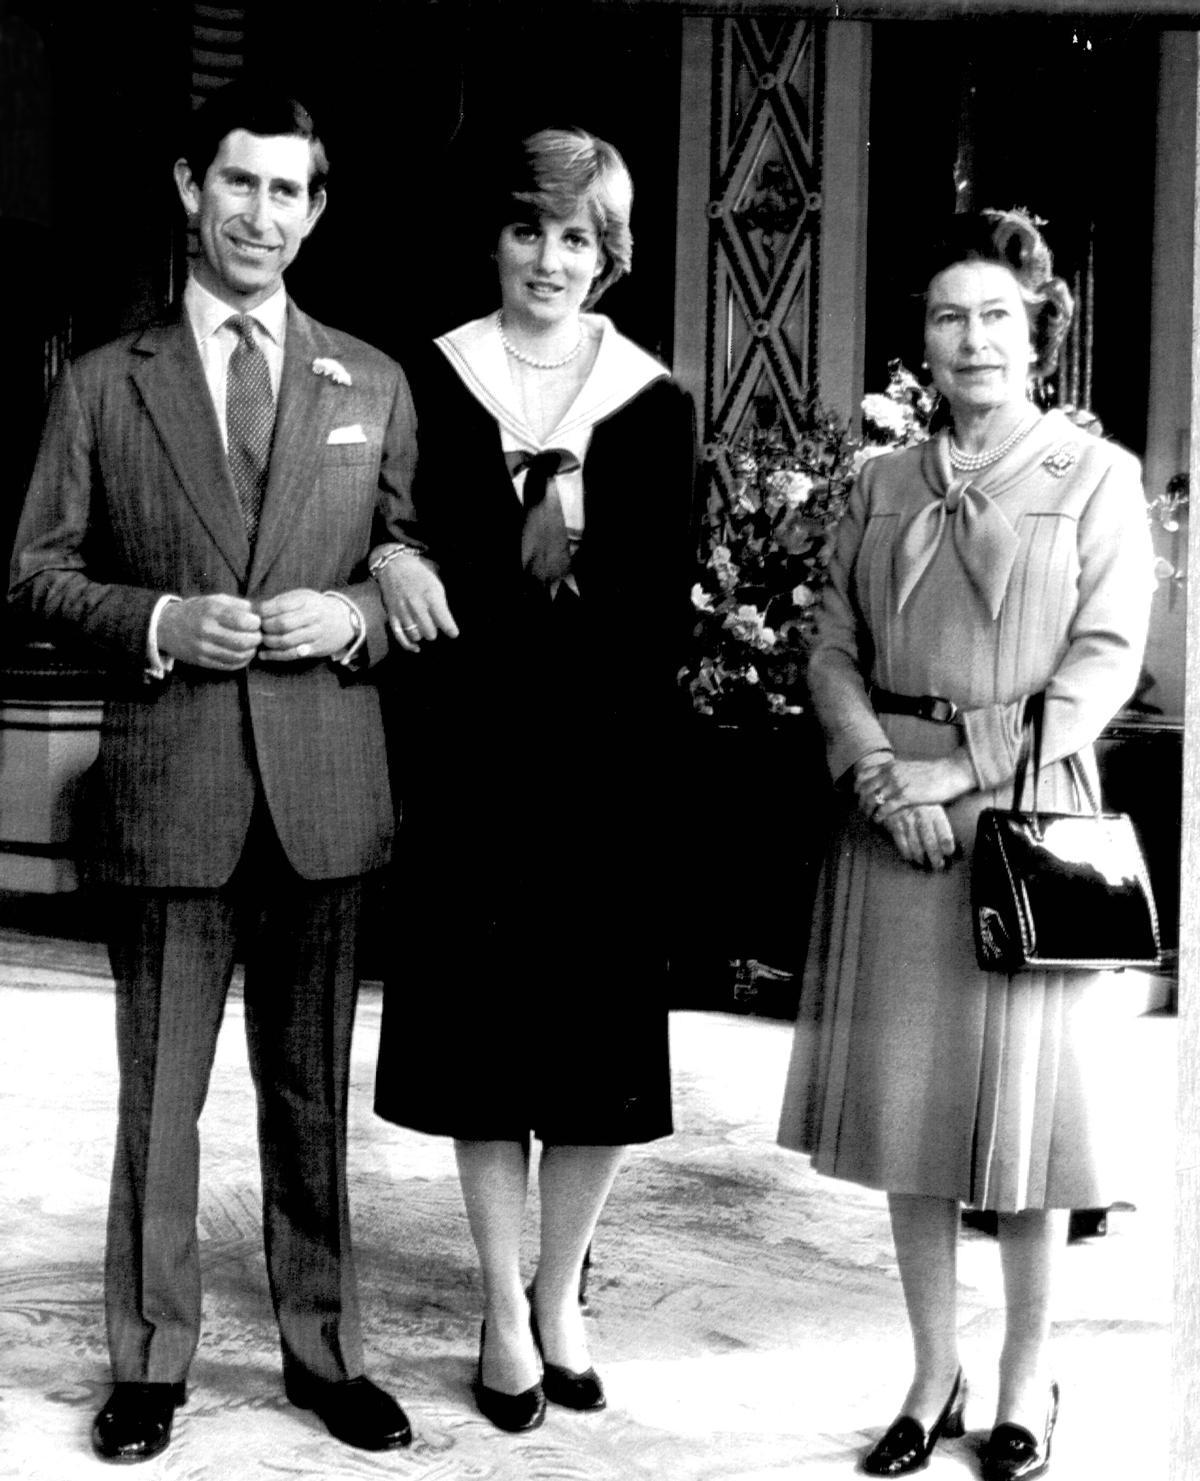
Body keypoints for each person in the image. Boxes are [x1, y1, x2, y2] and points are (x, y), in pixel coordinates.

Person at [8, 82, 418, 1462]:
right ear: (192, 190)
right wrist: (164, 623)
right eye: (239, 185)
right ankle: (149, 1362)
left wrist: (357, 615)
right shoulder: (102, 384)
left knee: (310, 1098)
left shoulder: (373, 381)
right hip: (174, 789)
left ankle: (325, 1349)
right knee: (160, 1100)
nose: (262, 215)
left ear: (316, 208)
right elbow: (35, 573)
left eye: (288, 191)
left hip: (323, 795)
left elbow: (410, 565)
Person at [776, 208, 1154, 1481]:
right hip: (897, 824)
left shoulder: (1093, 478)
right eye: (949, 316)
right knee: (914, 1115)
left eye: (997, 314)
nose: (973, 337)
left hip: (1026, 820)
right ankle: (931, 1371)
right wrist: (883, 776)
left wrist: (956, 767)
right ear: (922, 344)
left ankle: (1024, 1375)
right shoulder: (883, 484)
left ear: (1038, 332)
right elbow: (830, 642)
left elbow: (1102, 664)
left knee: (1035, 1133)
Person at [371, 126, 696, 1432]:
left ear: (608, 256)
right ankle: (503, 1305)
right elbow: (399, 544)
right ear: (496, 240)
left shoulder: (652, 404)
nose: (549, 258)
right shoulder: (431, 384)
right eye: (527, 230)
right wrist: (402, 555)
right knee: (489, 1051)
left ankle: (563, 1290)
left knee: (594, 1053)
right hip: (472, 768)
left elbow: (653, 617)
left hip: (606, 774)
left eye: (576, 237)